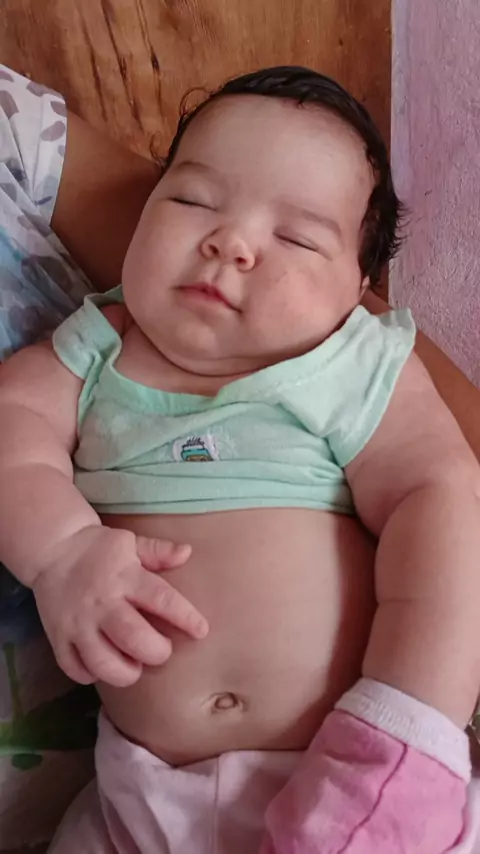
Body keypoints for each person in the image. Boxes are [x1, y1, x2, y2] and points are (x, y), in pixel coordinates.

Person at [0, 63, 480, 854]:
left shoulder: (352, 364)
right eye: (191, 200)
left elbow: (439, 496)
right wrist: (62, 552)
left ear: (358, 286)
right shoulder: (95, 349)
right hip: (140, 802)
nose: (230, 241)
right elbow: (12, 428)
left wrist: (409, 728)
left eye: (295, 236)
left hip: (352, 784)